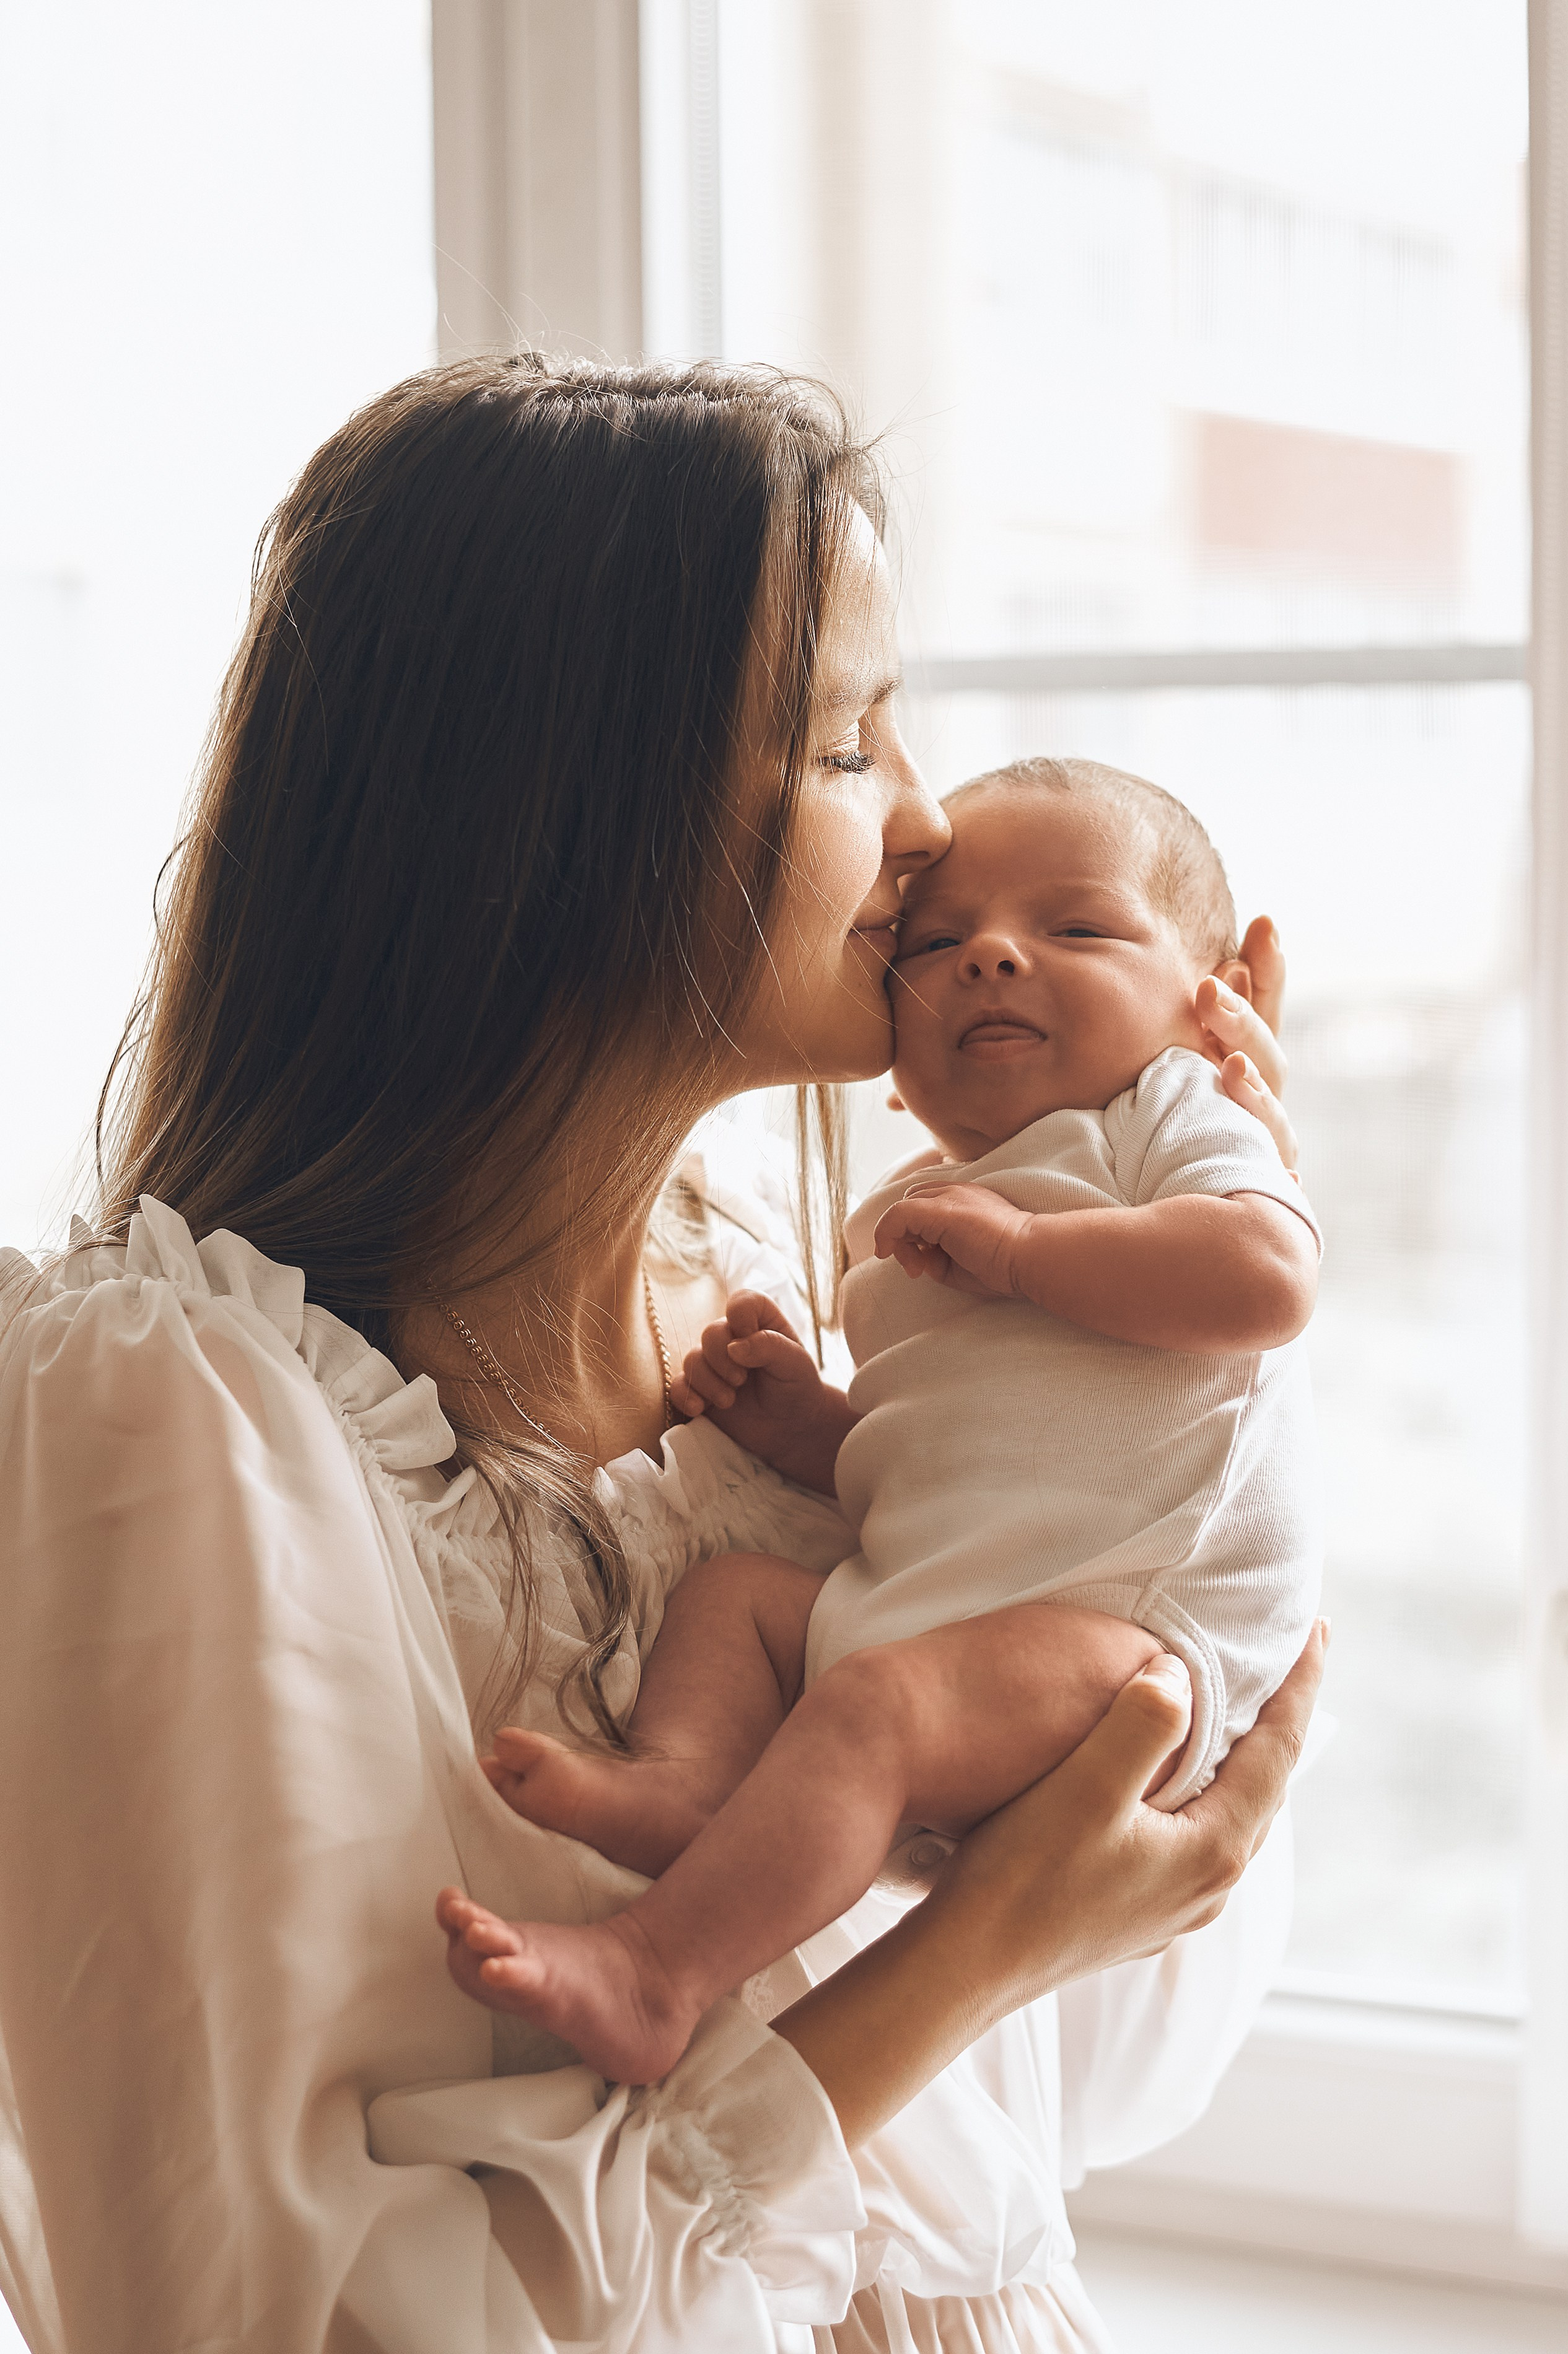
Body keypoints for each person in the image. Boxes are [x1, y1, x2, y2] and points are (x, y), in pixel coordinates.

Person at [0, 355, 1323, 2354]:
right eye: (838, 737)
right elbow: (305, 2321)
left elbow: (1095, 2074)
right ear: (557, 817)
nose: (932, 815)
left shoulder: (754, 1320)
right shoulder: (179, 1431)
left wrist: (1178, 1354)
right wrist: (960, 1957)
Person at [439, 756, 1323, 2088]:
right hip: (974, 1612)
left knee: (877, 1702)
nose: (994, 959)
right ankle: (693, 1777)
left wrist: (1026, 1251)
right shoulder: (906, 1209)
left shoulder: (1170, 1119)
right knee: (743, 1596)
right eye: (942, 940)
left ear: (1211, 1009)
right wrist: (811, 1425)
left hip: (1134, 1633)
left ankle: (655, 1971)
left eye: (1075, 928)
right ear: (899, 1081)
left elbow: (1268, 1280)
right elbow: (945, 1463)